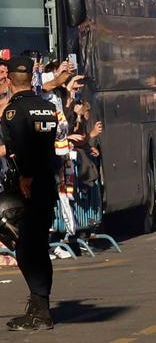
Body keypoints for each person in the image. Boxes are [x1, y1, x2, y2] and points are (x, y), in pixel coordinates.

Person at [0, 57, 59, 330]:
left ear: (10, 80)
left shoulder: (14, 112)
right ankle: (40, 305)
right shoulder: (47, 107)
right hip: (48, 181)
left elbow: (20, 146)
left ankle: (40, 309)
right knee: (37, 246)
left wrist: (25, 176)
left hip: (29, 183)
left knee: (25, 248)